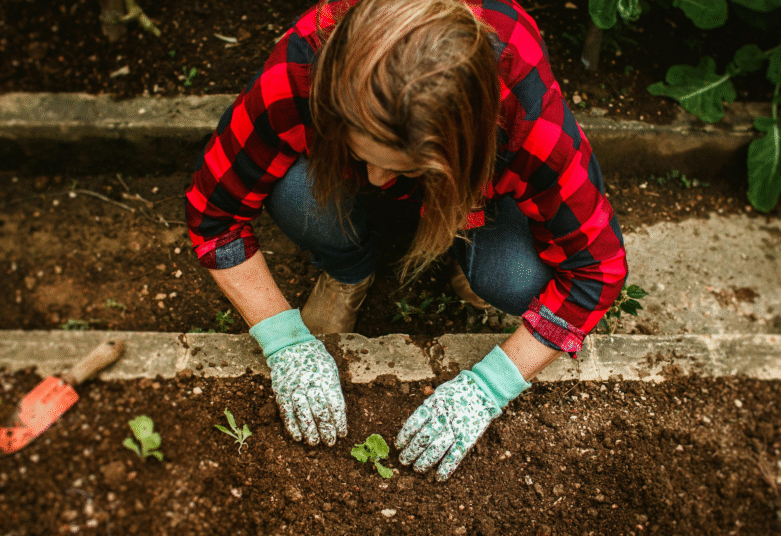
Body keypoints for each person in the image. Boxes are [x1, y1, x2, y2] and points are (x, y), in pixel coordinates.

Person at [185, 0, 628, 481]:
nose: (375, 180)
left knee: (514, 278)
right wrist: (283, 341)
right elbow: (213, 215)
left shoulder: (524, 120)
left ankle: (464, 241)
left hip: (474, 184)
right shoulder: (301, 73)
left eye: (403, 167)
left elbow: (596, 270)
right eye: (363, 154)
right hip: (392, 162)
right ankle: (347, 271)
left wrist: (490, 386)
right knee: (296, 191)